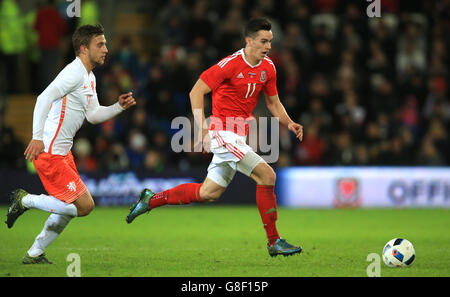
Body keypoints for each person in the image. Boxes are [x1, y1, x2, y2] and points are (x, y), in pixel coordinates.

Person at [126, 18, 304, 257]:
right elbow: (196, 91)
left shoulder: (268, 68)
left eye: (270, 41)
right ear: (249, 40)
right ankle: (274, 241)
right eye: (263, 41)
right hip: (222, 133)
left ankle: (151, 199)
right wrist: (202, 130)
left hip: (238, 136)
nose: (268, 46)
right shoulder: (229, 65)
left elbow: (273, 102)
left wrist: (289, 121)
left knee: (208, 193)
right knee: (267, 175)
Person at [5, 24, 136, 264]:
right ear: (84, 48)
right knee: (85, 206)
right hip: (50, 152)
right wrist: (36, 136)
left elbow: (93, 115)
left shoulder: (90, 76)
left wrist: (118, 107)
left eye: (105, 43)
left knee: (69, 207)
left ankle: (34, 253)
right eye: (100, 44)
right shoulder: (73, 72)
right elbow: (44, 97)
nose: (106, 49)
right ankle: (25, 200)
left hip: (63, 153)